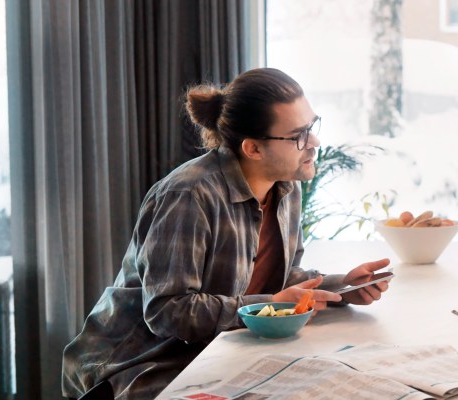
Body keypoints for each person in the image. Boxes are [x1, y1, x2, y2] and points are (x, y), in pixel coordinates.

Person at [61, 68, 391, 399]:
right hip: (142, 366)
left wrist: (343, 287)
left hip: (219, 352)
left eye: (313, 127)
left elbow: (276, 278)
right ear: (253, 149)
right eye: (299, 136)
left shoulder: (285, 187)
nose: (314, 143)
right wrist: (266, 306)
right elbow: (167, 311)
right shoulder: (188, 195)